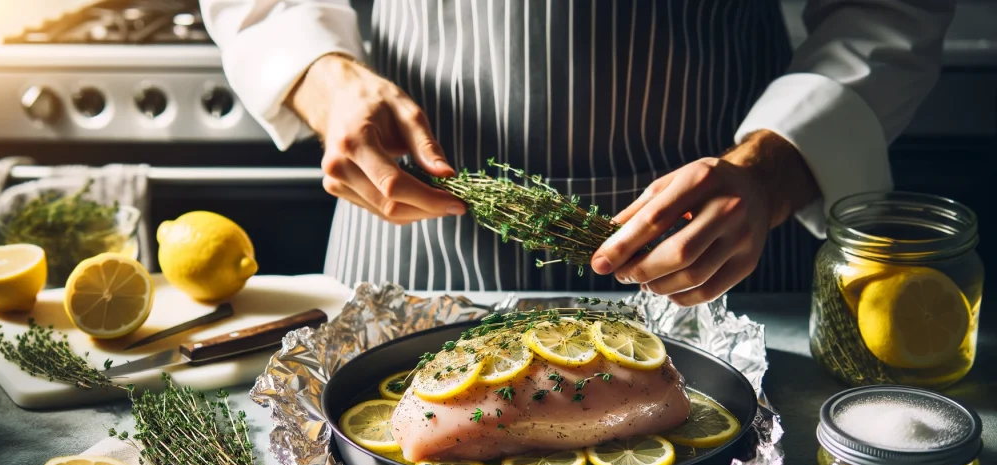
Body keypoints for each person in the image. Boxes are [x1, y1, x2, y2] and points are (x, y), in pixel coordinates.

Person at [199, 0, 953, 305]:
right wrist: (325, 82)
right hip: (412, 237)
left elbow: (888, 7)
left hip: (720, 243)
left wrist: (775, 168)